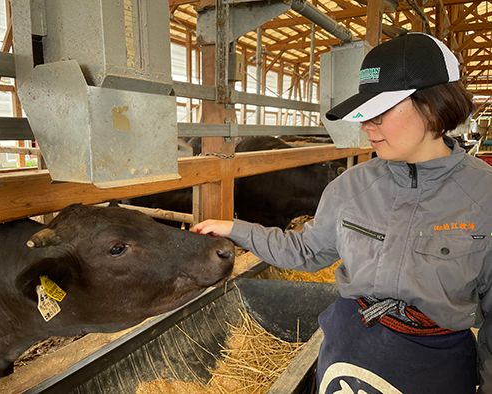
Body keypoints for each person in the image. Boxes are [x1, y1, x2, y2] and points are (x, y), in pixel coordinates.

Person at [192, 32, 492, 393]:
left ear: (432, 105)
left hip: (433, 363)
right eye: (364, 113)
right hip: (349, 350)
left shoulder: (483, 196)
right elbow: (306, 251)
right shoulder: (350, 187)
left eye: (380, 112)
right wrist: (236, 229)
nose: (366, 125)